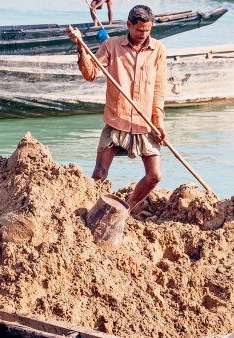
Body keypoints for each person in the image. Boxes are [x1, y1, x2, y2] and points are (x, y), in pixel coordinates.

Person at [68, 5, 167, 210]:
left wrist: (159, 123)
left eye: (148, 30)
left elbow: (159, 89)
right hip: (116, 120)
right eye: (139, 30)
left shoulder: (158, 49)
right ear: (129, 25)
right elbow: (90, 74)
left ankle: (125, 209)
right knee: (99, 174)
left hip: (145, 123)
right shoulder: (111, 45)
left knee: (155, 176)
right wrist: (80, 46)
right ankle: (85, 210)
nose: (143, 34)